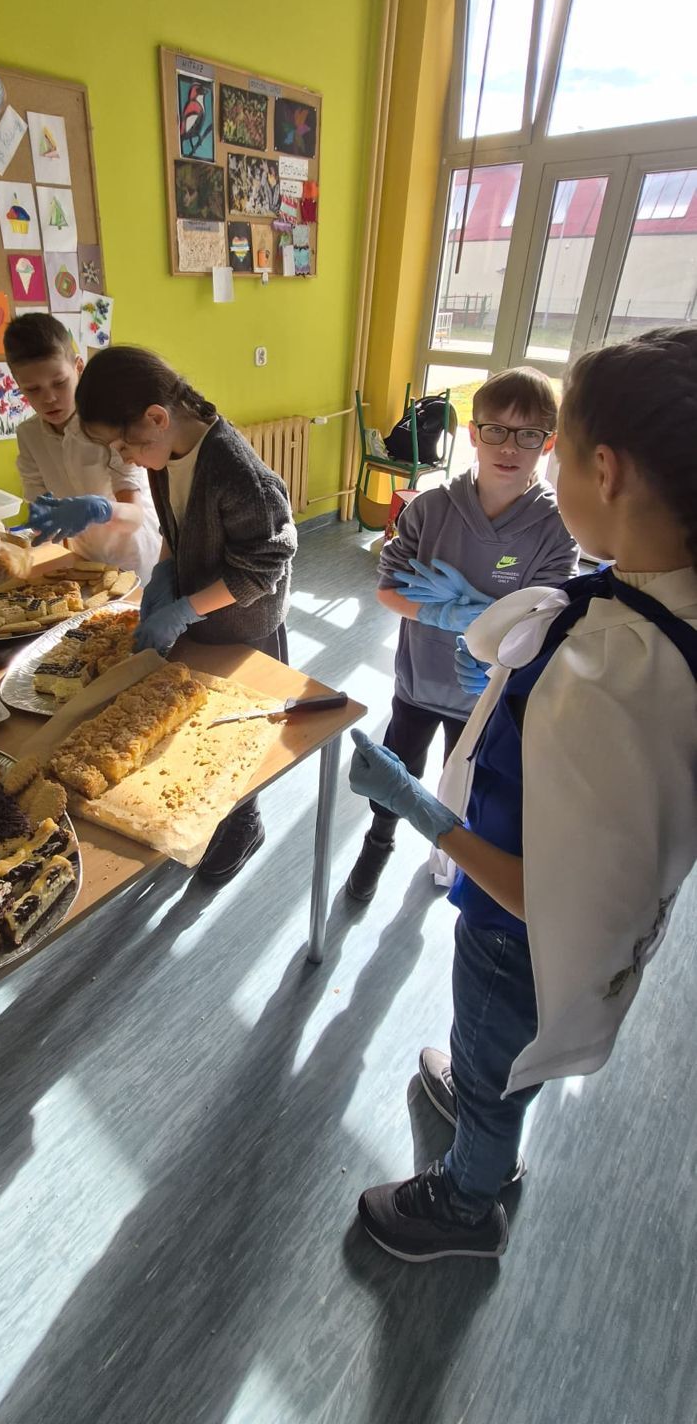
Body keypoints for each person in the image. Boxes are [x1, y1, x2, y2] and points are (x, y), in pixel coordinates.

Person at [348, 327, 697, 1263]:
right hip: (552, 925)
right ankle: (478, 1090)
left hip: (517, 932)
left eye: (555, 444)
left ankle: (467, 1199)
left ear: (600, 470)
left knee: (498, 1043)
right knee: (494, 1042)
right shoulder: (643, 598)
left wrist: (422, 810)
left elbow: (548, 898)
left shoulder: (609, 672)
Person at [345, 368, 578, 903]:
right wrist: (444, 615)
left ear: (549, 443)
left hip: (486, 694)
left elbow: (543, 622)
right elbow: (388, 591)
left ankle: (450, 857)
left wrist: (481, 620)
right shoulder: (430, 509)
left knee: (465, 784)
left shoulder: (555, 528)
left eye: (528, 435)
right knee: (399, 766)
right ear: (473, 434)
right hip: (419, 679)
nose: (509, 447)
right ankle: (378, 841)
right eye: (495, 430)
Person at [69, 344, 297, 886]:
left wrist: (184, 611)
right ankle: (212, 815)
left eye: (127, 444)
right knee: (197, 730)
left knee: (236, 736)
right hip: (200, 616)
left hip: (243, 628)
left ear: (157, 417)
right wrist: (165, 573)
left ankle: (245, 821)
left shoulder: (240, 475)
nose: (127, 457)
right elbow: (175, 525)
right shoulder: (166, 452)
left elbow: (261, 571)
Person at [4, 313, 161, 583]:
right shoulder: (29, 435)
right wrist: (38, 524)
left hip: (138, 559)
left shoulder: (108, 424)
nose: (49, 398)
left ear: (78, 367)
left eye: (59, 383)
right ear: (18, 384)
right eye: (33, 389)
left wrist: (102, 509)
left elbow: (135, 516)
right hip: (86, 559)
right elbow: (40, 505)